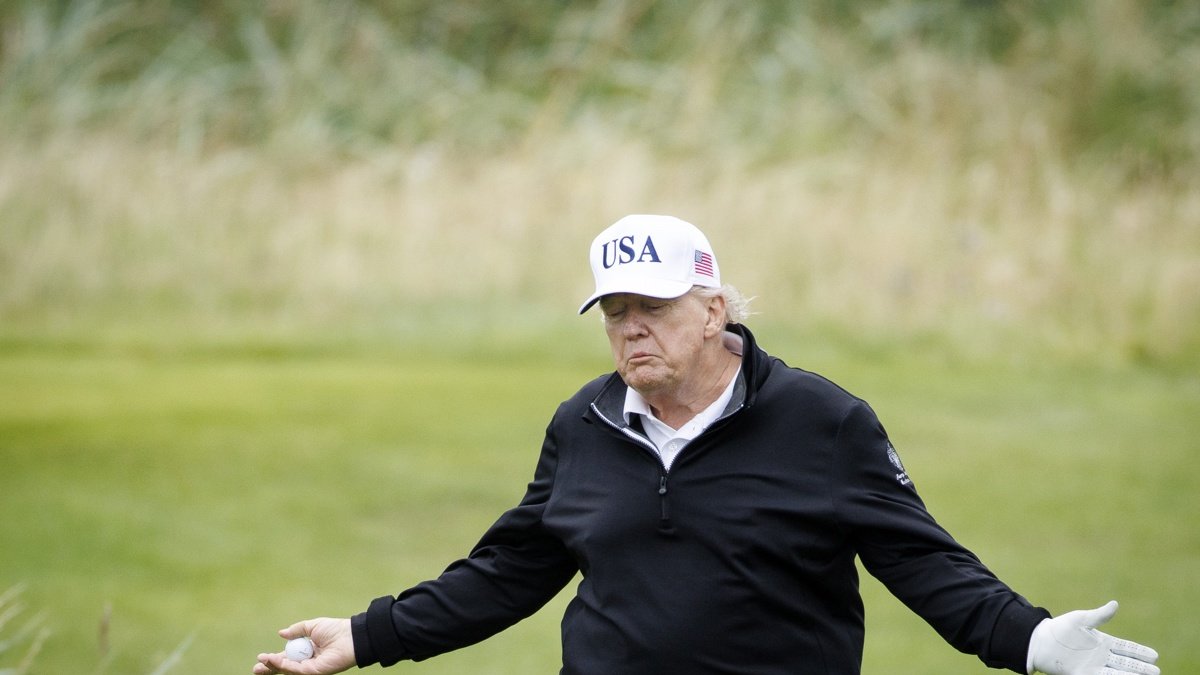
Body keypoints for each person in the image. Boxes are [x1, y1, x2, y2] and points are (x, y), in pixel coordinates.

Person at [254, 215, 1160, 675]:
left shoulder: (822, 421)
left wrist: (1033, 640)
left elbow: (924, 562)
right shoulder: (585, 422)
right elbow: (511, 568)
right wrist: (367, 634)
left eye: (651, 307)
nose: (630, 329)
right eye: (614, 312)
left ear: (715, 306)